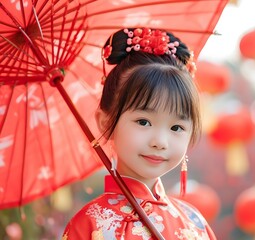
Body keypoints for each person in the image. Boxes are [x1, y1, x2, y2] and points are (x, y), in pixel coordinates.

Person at [62, 27, 217, 239]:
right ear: (106, 122)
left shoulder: (194, 224)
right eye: (143, 122)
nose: (160, 142)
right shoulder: (89, 224)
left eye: (176, 128)